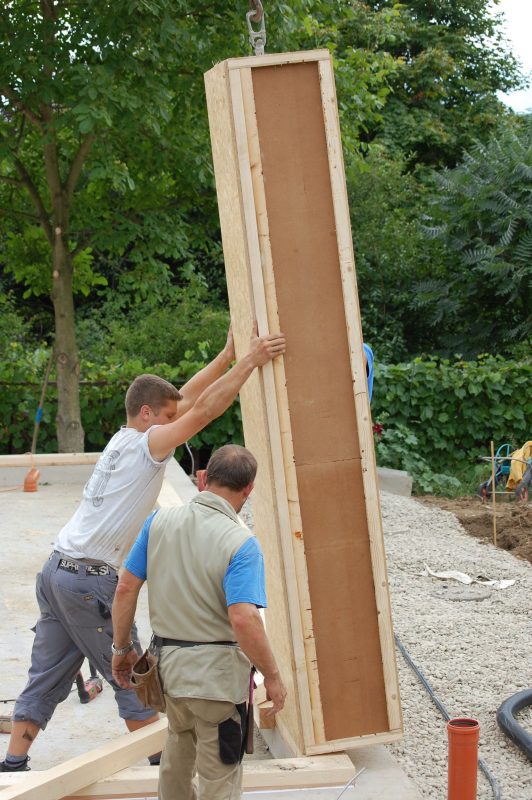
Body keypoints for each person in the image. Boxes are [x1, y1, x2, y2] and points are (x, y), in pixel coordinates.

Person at [0, 324, 286, 773]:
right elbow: (203, 410)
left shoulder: (123, 438)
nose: (178, 425)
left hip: (55, 571)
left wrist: (227, 355)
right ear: (148, 414)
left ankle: (12, 763)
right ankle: (160, 763)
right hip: (87, 581)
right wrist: (251, 360)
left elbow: (186, 400)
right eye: (170, 419)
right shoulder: (147, 446)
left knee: (46, 673)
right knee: (133, 675)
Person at [111, 444, 286, 800]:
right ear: (248, 489)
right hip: (217, 682)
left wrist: (122, 648)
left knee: (177, 748)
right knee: (219, 777)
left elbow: (126, 586)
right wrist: (272, 675)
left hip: (168, 674)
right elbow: (244, 617)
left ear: (203, 478)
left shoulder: (158, 523)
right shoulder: (241, 543)